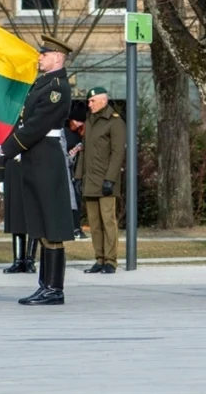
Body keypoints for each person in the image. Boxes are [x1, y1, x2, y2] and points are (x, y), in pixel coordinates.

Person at [0, 34, 74, 306]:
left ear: (58, 57)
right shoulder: (43, 83)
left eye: (45, 54)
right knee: (41, 223)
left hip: (46, 158)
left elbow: (35, 125)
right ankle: (45, 284)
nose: (40, 57)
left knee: (52, 225)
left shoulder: (57, 88)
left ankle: (54, 288)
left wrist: (6, 149)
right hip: (36, 158)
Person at [74, 87, 126, 274]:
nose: (89, 104)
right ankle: (100, 258)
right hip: (90, 180)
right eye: (89, 101)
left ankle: (111, 261)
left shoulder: (115, 122)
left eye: (92, 101)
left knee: (108, 221)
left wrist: (110, 179)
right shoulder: (90, 121)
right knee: (94, 223)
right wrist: (78, 177)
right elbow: (84, 151)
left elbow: (118, 152)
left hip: (105, 181)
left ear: (103, 101)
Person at [65, 102, 87, 240]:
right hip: (68, 170)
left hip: (76, 172)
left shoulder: (79, 134)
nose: (79, 124)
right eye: (76, 120)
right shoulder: (66, 133)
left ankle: (75, 227)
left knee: (76, 200)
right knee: (72, 200)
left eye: (81, 121)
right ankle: (73, 227)